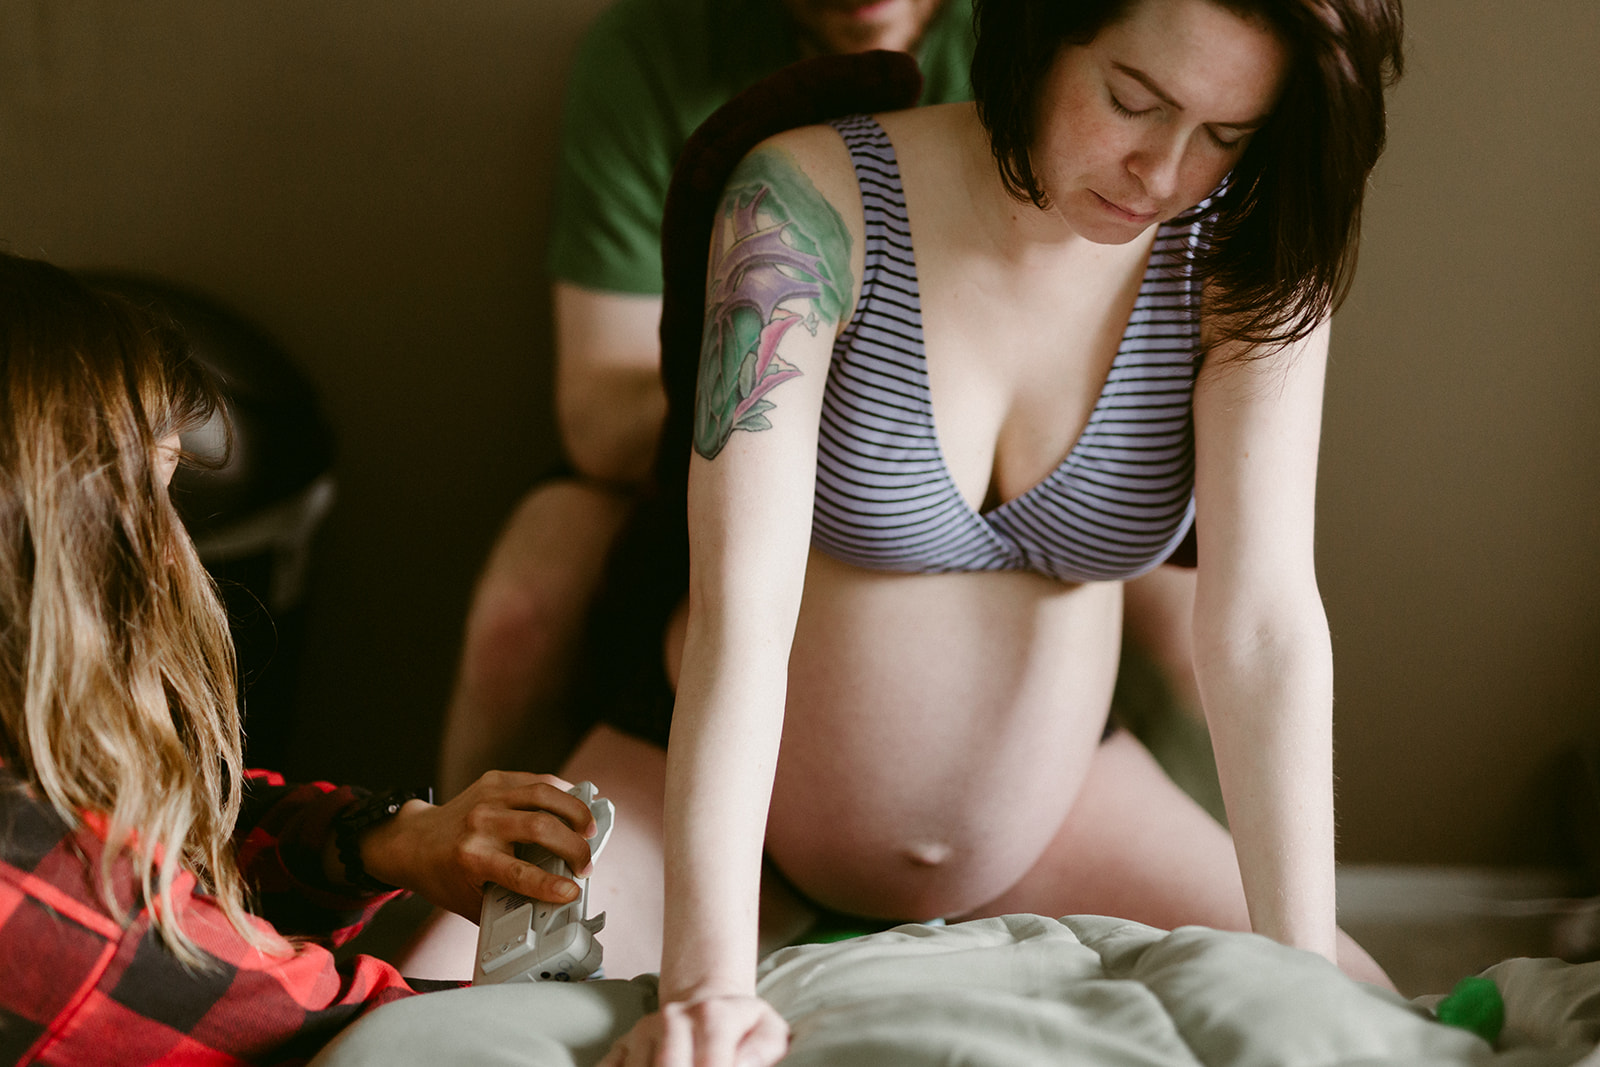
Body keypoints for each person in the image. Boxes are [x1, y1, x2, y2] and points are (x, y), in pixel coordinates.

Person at [570, 0, 1407, 1062]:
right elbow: (741, 617)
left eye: (1225, 134)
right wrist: (706, 980)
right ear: (1040, 29)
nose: (1160, 172)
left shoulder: (1251, 242)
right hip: (693, 798)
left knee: (1368, 1020)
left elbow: (1263, 622)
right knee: (425, 1010)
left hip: (1057, 815)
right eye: (1129, 100)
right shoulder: (799, 200)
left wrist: (1300, 978)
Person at [0, 251, 601, 1066]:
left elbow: (156, 826)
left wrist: (386, 838)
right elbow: (349, 1031)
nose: (183, 556)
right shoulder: (44, 891)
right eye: (158, 503)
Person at [437, 0, 981, 800]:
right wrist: (781, 409)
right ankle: (450, 875)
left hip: (964, 466)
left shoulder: (1034, 39)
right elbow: (598, 413)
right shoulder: (652, 50)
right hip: (687, 458)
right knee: (522, 607)